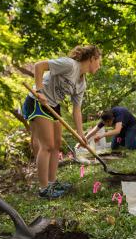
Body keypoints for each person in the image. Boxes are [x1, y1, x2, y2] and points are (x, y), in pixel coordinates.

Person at [22, 45, 102, 198]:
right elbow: (39, 66)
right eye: (99, 62)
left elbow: (76, 109)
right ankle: (44, 189)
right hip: (38, 101)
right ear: (92, 59)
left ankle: (52, 183)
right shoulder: (70, 65)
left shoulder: (81, 83)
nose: (99, 66)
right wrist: (39, 90)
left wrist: (80, 134)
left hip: (53, 105)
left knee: (56, 144)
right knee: (47, 145)